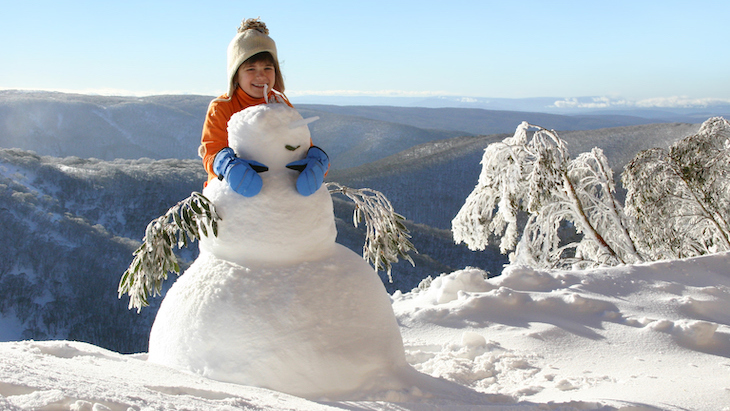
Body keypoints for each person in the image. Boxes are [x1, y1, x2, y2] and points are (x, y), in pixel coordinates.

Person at [199, 18, 329, 197]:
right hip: (231, 199)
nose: (261, 76)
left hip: (275, 197)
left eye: (268, 68)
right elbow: (211, 151)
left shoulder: (280, 105)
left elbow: (301, 145)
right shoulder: (222, 107)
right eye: (251, 69)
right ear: (236, 75)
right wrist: (226, 166)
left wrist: (317, 163)